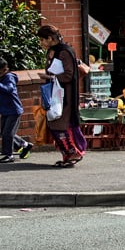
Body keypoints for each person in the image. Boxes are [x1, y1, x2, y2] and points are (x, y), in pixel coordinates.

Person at [37, 25, 87, 168]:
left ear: (50, 38)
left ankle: (73, 153)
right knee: (54, 124)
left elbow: (68, 74)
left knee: (61, 125)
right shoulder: (53, 51)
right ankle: (66, 155)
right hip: (54, 93)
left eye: (42, 40)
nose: (41, 43)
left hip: (65, 96)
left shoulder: (65, 52)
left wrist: (49, 76)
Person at [0, 58, 33, 163]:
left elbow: (9, 89)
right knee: (4, 132)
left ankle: (9, 155)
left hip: (13, 110)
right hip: (5, 110)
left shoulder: (9, 77)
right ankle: (25, 145)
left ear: (4, 69)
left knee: (7, 133)